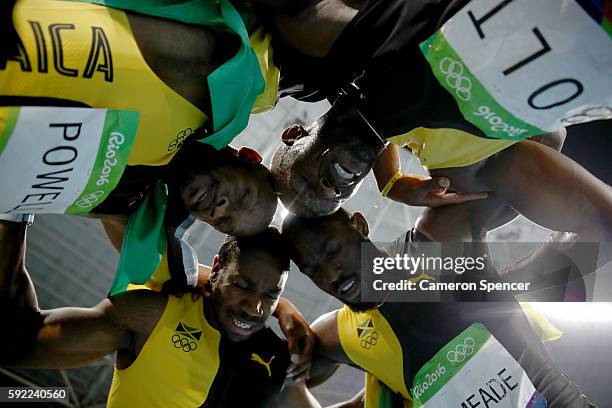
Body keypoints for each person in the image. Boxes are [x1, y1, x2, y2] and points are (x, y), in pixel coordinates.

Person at [266, 0, 612, 242]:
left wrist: (389, 178)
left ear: (295, 134)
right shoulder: (455, 168)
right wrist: (393, 183)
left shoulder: (323, 41)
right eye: (336, 198)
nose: (329, 188)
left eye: (307, 184)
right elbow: (595, 214)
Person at [282, 209, 598, 407]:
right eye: (312, 270)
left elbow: (537, 147)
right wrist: (280, 307)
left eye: (333, 250)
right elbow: (271, 383)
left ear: (360, 225)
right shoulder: (337, 334)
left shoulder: (432, 243)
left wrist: (393, 173)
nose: (331, 274)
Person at [0, 220, 317, 407]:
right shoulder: (151, 315)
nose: (255, 307)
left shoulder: (284, 358)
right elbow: (21, 342)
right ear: (218, 269)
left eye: (272, 294)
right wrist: (14, 215)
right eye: (243, 286)